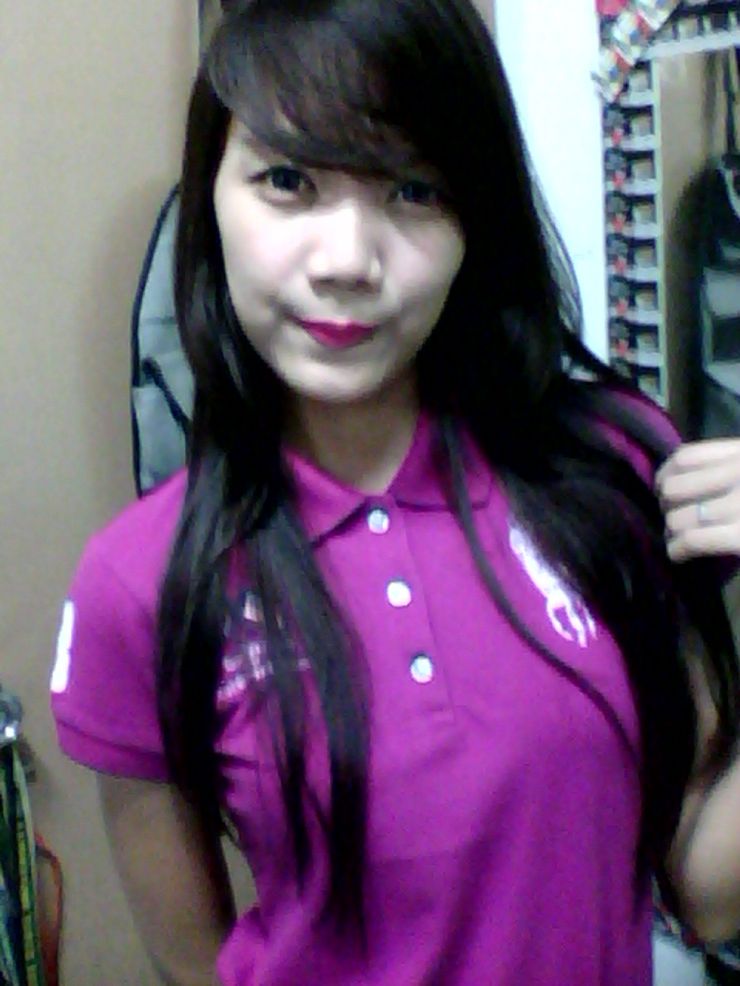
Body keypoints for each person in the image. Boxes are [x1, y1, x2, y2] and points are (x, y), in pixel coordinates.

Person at [49, 1, 740, 983]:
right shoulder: (137, 582)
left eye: (414, 189)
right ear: (210, 196)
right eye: (288, 181)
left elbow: (708, 892)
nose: (346, 263)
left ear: (474, 218)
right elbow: (195, 963)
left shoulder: (608, 468)